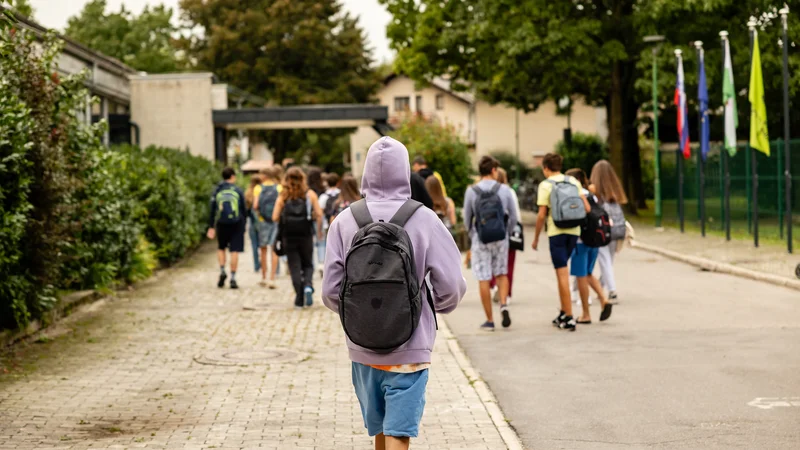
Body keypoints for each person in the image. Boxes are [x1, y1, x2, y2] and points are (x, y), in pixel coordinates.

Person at [322, 136, 466, 450]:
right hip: (410, 345)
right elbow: (453, 285)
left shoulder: (344, 221)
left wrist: (363, 313)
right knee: (398, 434)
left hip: (362, 344)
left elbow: (330, 291)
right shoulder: (425, 218)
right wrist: (431, 307)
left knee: (380, 431)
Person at [531, 153, 591, 331]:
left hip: (556, 232)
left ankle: (569, 316)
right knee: (564, 272)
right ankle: (564, 311)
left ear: (546, 168)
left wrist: (535, 238)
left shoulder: (545, 185)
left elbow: (542, 214)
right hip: (574, 231)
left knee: (561, 274)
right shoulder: (573, 181)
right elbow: (586, 208)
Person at [463, 156, 518, 331]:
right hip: (501, 237)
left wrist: (474, 235)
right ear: (494, 170)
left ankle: (489, 320)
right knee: (502, 273)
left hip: (481, 238)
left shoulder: (472, 191)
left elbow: (466, 219)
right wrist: (506, 233)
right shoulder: (504, 189)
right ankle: (503, 304)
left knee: (484, 278)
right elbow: (514, 217)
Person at [565, 168, 613, 324]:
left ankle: (586, 314)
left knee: (581, 277)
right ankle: (604, 299)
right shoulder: (592, 196)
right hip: (595, 240)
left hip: (580, 241)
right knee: (588, 273)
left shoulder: (576, 196)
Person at [272, 167, 323, 308]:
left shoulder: (283, 195)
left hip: (289, 236)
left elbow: (274, 216)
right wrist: (318, 229)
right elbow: (319, 213)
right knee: (308, 264)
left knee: (294, 266)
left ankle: (299, 299)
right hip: (306, 234)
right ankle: (308, 285)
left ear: (287, 180)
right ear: (302, 179)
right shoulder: (309, 194)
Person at [590, 160, 628, 303]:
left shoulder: (596, 195)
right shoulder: (615, 193)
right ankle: (600, 288)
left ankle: (612, 291)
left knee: (604, 261)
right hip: (617, 230)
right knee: (608, 262)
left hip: (602, 231)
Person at [207, 167, 246, 289]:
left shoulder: (218, 190)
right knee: (234, 250)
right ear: (233, 176)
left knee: (221, 247)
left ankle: (223, 270)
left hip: (222, 223)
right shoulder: (238, 191)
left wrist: (211, 226)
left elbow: (212, 210)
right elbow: (244, 209)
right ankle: (233, 277)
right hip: (236, 223)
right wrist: (244, 225)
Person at [490, 168, 521, 305]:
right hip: (507, 232)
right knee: (509, 264)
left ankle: (494, 285)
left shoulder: (489, 191)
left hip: (490, 233)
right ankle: (507, 294)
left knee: (492, 261)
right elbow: (516, 215)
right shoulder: (509, 192)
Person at [253, 167, 282, 289]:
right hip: (276, 221)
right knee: (274, 249)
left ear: (265, 175)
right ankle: (272, 278)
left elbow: (255, 205)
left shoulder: (258, 188)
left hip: (263, 221)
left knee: (263, 250)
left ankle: (263, 277)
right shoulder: (279, 187)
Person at [244, 173, 263, 273]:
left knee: (254, 245)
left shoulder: (247, 193)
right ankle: (263, 263)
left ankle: (256, 266)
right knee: (262, 245)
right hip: (261, 220)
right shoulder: (261, 191)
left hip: (251, 222)